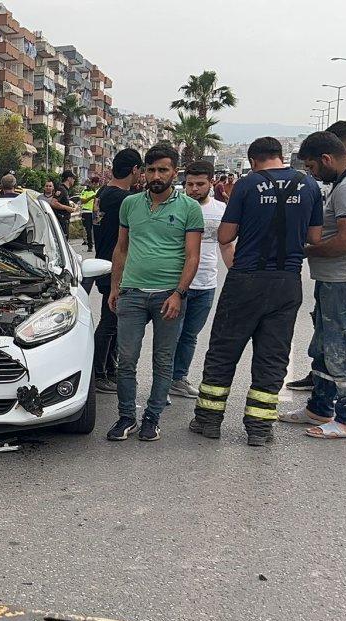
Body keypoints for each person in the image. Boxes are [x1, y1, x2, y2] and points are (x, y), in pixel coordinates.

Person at [191, 138, 322, 445]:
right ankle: (259, 428)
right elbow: (315, 237)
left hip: (246, 280)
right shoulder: (309, 185)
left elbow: (225, 235)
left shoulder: (247, 185)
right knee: (272, 356)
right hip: (287, 281)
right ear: (280, 156)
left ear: (252, 161)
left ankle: (209, 421)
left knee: (224, 350)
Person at [106, 144, 204, 442]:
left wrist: (179, 293)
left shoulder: (189, 207)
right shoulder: (130, 204)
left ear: (175, 172)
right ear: (144, 173)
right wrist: (115, 287)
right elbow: (121, 248)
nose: (156, 175)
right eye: (151, 170)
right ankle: (126, 417)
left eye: (163, 169)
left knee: (163, 361)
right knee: (126, 359)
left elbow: (193, 257)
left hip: (168, 296)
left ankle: (152, 418)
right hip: (132, 293)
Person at [278, 132, 346, 440]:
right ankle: (320, 407)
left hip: (345, 282)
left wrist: (306, 250)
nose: (312, 174)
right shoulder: (343, 182)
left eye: (312, 167)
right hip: (332, 280)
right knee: (324, 348)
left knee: (343, 350)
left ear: (326, 159)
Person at [169, 161, 234, 400]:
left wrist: (237, 276)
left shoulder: (221, 209)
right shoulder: (175, 206)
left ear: (211, 183)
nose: (194, 189)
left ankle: (178, 379)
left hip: (207, 284)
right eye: (190, 184)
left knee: (190, 336)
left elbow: (226, 246)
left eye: (200, 184)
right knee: (170, 336)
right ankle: (162, 383)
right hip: (177, 284)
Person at [91, 149, 144, 394]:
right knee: (110, 323)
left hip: (104, 261)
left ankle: (109, 369)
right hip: (116, 266)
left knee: (113, 322)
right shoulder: (124, 199)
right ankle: (98, 373)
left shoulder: (103, 193)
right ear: (134, 169)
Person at [50, 171, 78, 237]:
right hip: (61, 220)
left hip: (64, 220)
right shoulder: (61, 189)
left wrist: (70, 205)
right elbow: (53, 203)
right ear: (69, 178)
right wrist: (67, 208)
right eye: (73, 178)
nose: (74, 180)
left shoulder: (65, 190)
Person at [79, 177, 100, 248]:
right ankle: (89, 245)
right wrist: (91, 197)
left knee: (96, 229)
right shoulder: (85, 191)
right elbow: (82, 201)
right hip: (86, 212)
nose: (97, 185)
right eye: (96, 183)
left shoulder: (98, 191)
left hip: (95, 213)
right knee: (88, 229)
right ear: (93, 183)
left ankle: (96, 244)